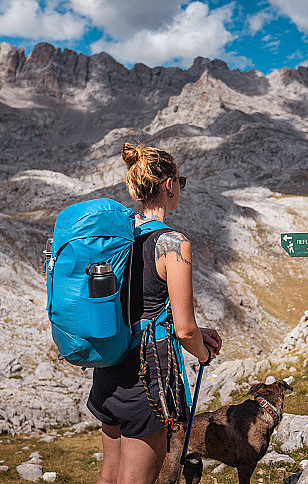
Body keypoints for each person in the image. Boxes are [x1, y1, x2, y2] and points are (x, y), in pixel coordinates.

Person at [88, 142, 223, 484]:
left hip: (108, 368)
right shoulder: (174, 244)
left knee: (110, 475)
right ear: (168, 185)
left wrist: (189, 330)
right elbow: (185, 330)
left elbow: (139, 305)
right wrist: (203, 351)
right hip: (146, 381)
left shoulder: (118, 239)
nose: (181, 188)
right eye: (182, 181)